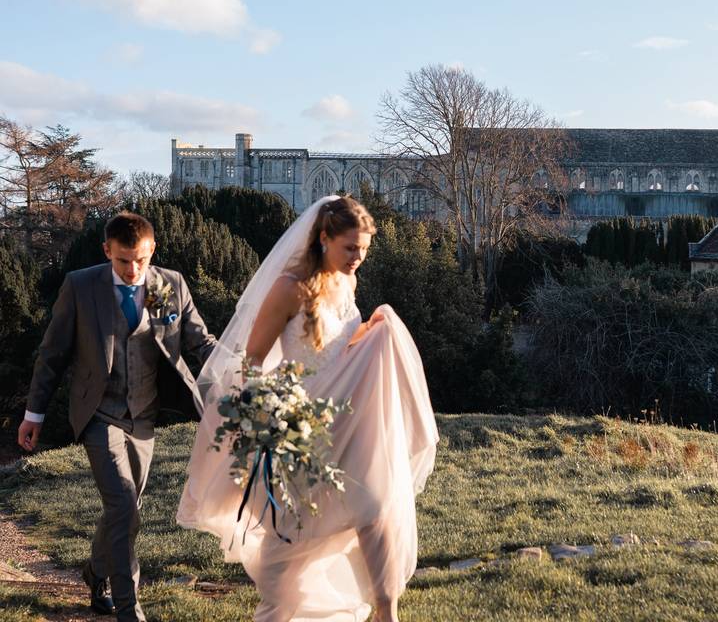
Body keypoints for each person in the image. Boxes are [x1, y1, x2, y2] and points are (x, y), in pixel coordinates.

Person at [177, 195, 439, 622]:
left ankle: (385, 611)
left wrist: (371, 332)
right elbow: (253, 360)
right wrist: (265, 413)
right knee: (292, 546)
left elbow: (337, 346)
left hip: (348, 415)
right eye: (350, 248)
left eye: (365, 250)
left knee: (374, 507)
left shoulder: (346, 282)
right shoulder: (290, 286)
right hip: (301, 423)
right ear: (323, 239)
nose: (358, 258)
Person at [18, 212, 217, 622]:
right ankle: (129, 609)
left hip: (144, 414)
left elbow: (200, 342)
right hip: (98, 412)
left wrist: (243, 371)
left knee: (125, 509)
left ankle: (96, 571)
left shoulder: (171, 284)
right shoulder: (80, 286)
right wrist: (34, 414)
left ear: (152, 251)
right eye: (124, 260)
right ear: (107, 250)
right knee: (125, 505)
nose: (133, 270)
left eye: (141, 260)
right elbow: (51, 356)